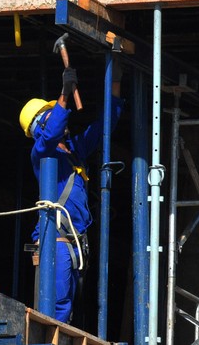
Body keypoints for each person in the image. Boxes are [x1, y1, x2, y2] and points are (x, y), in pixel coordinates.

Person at [19, 62, 124, 324]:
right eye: (51, 112)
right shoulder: (42, 153)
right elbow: (52, 132)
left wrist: (115, 85)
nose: (59, 115)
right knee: (58, 307)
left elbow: (103, 127)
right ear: (40, 125)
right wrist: (64, 95)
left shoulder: (73, 150)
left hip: (76, 242)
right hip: (57, 241)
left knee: (72, 308)